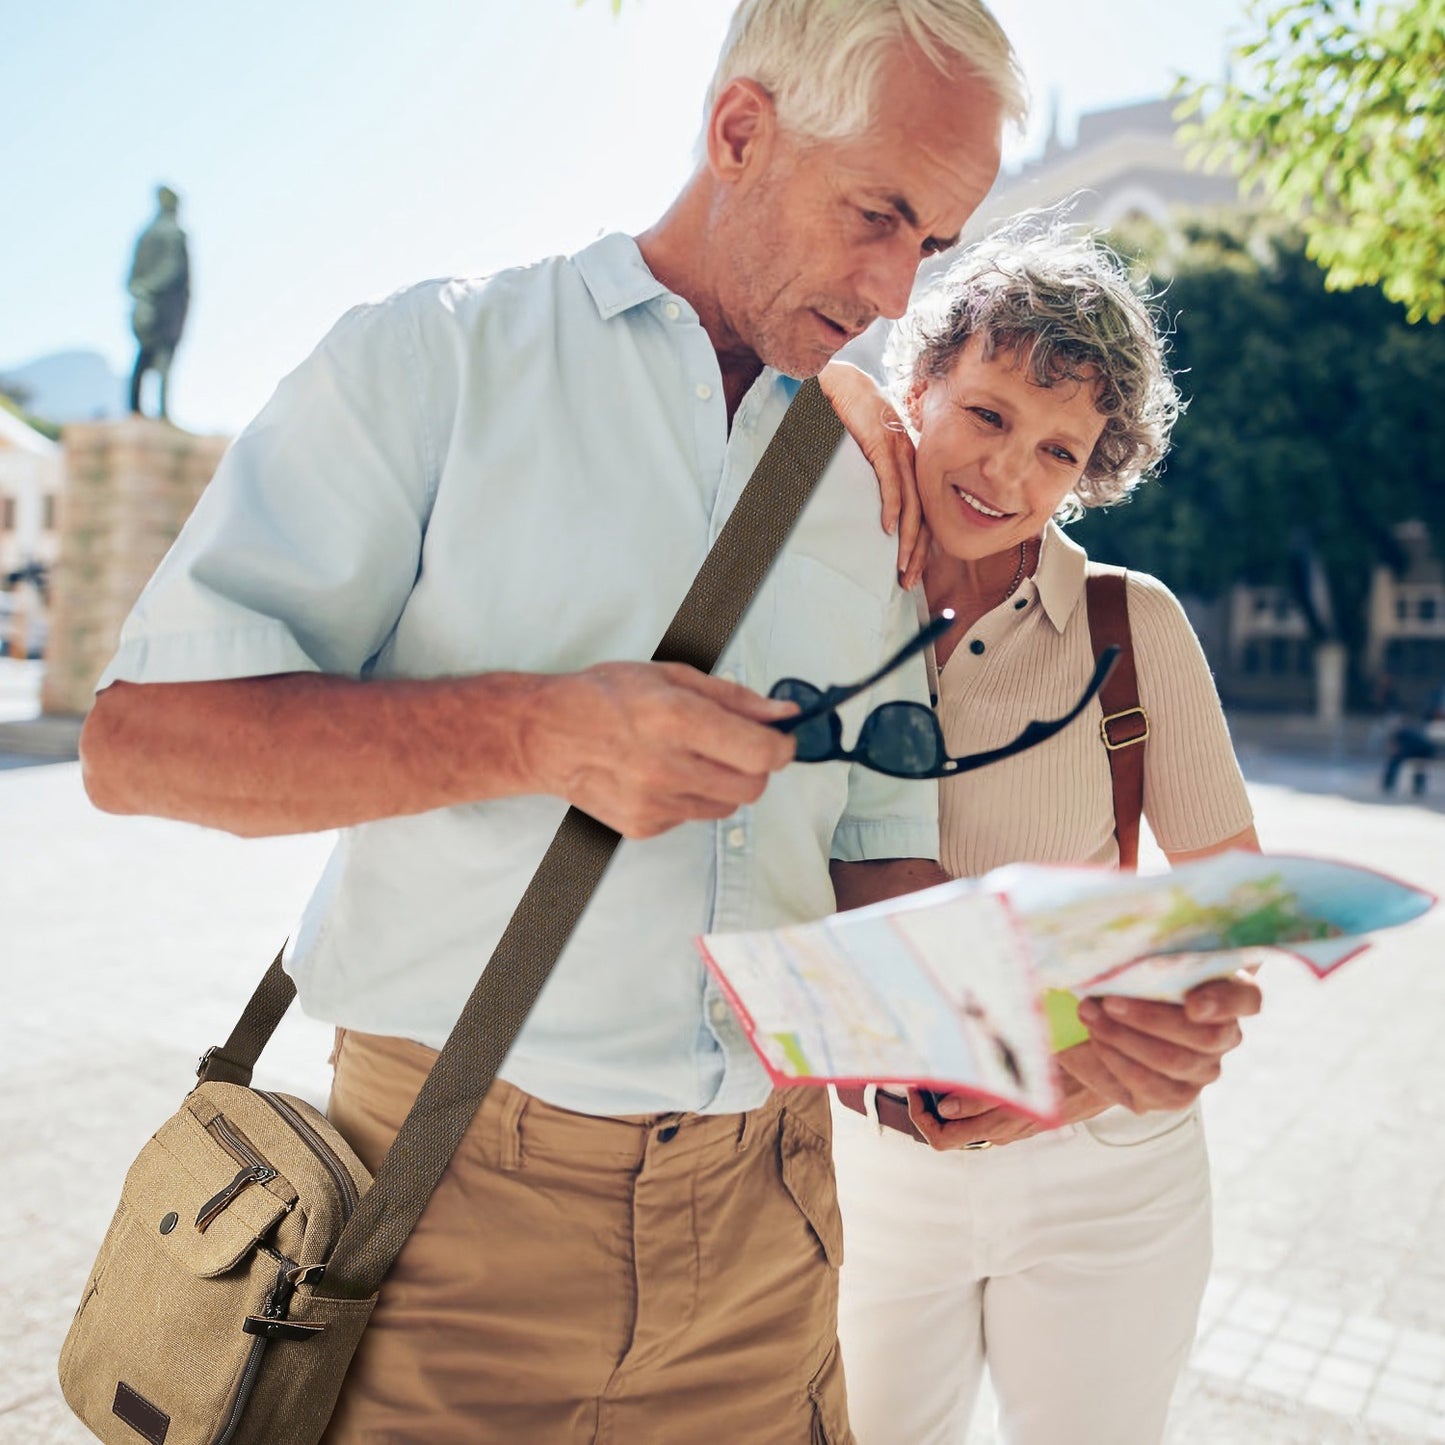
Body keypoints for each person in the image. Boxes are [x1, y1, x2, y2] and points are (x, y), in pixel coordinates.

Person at [77, 5, 1258, 1438]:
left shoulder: (863, 483)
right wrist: (539, 732)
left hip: (771, 1243)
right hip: (443, 1227)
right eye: (875, 214)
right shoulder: (440, 360)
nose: (894, 291)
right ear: (739, 132)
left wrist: (1024, 1035)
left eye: (931, 246)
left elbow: (870, 876)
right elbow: (142, 744)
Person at [825, 224, 1261, 1445]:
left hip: (1103, 1169)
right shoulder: (814, 593)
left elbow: (1231, 908)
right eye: (984, 414)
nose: (1007, 471)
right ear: (919, 385)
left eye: (1056, 448)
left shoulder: (1132, 624)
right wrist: (840, 394)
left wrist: (1060, 1072)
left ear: (1090, 472)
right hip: (862, 1168)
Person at [127, 185, 190, 420]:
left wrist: (141, 290)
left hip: (148, 301)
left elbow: (132, 276)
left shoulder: (146, 234)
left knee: (144, 356)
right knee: (162, 357)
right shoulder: (173, 233)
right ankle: (160, 411)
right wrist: (151, 289)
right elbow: (174, 269)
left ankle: (136, 408)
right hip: (167, 306)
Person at [1381, 682, 1445, 794]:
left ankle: (1390, 785)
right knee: (1413, 762)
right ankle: (1409, 786)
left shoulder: (1405, 733)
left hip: (1422, 747)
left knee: (1401, 760)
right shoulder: (1408, 730)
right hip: (1422, 747)